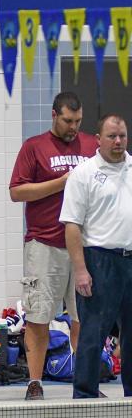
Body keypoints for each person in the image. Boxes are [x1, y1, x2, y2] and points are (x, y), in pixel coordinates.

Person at [9, 92, 98, 401]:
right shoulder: (34, 147)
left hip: (85, 246)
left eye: (77, 121)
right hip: (44, 243)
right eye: (67, 121)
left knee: (83, 317)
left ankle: (84, 382)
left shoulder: (92, 146)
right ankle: (35, 382)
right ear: (53, 115)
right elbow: (17, 192)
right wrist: (62, 182)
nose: (73, 127)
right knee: (38, 316)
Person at [60, 113, 132, 399]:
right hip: (99, 259)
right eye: (112, 136)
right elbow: (72, 225)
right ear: (98, 139)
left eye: (122, 136)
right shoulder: (84, 174)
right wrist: (80, 270)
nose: (118, 141)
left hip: (130, 258)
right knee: (93, 330)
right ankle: (85, 393)